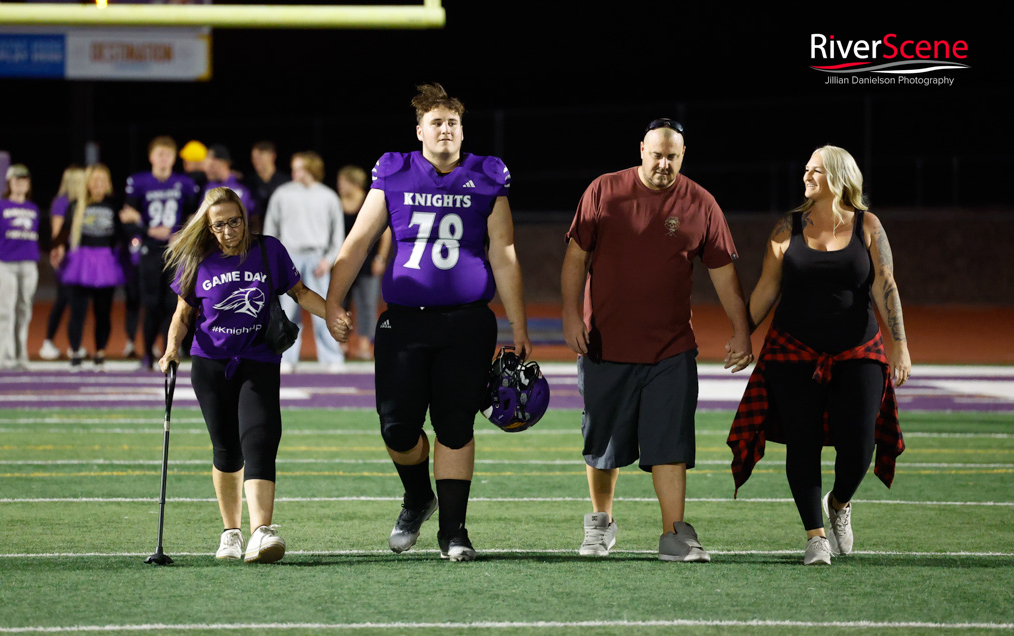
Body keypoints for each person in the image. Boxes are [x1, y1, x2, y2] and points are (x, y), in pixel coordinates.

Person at [325, 83, 531, 562]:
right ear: (419, 131)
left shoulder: (487, 175)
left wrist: (518, 323)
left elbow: (503, 253)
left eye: (452, 123)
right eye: (436, 122)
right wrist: (334, 301)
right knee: (397, 427)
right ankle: (418, 496)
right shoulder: (393, 172)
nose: (444, 129)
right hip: (405, 322)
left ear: (462, 131)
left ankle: (454, 531)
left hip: (467, 322)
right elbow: (356, 243)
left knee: (455, 425)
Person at [561, 119, 752, 563]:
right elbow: (576, 257)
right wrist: (571, 315)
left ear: (682, 156)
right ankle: (600, 523)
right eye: (657, 154)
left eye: (673, 156)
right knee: (602, 442)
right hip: (604, 345)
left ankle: (674, 534)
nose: (664, 163)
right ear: (641, 149)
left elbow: (724, 271)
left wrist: (741, 329)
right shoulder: (603, 191)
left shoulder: (701, 203)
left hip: (671, 349)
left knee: (671, 442)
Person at [727, 145, 910, 566]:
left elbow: (886, 284)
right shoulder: (786, 228)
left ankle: (840, 502)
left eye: (816, 171)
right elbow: (767, 288)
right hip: (793, 350)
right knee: (802, 443)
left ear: (839, 176)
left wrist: (899, 343)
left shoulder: (868, 225)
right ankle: (814, 536)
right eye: (806, 169)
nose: (807, 176)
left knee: (860, 446)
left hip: (859, 350)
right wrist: (742, 335)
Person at [158, 186, 337, 563]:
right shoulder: (197, 258)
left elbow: (300, 292)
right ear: (207, 227)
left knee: (260, 438)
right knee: (226, 449)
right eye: (219, 225)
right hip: (210, 365)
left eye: (233, 221)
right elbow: (183, 313)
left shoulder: (268, 249)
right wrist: (173, 346)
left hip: (258, 360)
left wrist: (332, 316)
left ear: (244, 216)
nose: (228, 231)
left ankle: (261, 531)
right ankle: (231, 533)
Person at [121, 136, 200, 369]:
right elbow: (127, 216)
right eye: (160, 154)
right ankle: (147, 354)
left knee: (172, 303)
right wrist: (147, 229)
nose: (164, 159)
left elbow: (195, 215)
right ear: (151, 157)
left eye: (168, 155)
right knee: (150, 303)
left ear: (174, 158)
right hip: (149, 251)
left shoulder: (184, 183)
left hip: (175, 250)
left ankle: (168, 351)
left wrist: (181, 233)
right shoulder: (139, 182)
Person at [264, 151, 346, 372]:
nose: (294, 172)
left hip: (317, 260)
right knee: (287, 313)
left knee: (323, 311)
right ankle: (287, 358)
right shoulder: (282, 194)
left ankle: (332, 358)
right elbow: (270, 231)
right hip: (288, 257)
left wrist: (328, 260)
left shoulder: (328, 197)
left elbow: (337, 235)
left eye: (299, 167)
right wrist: (275, 260)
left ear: (312, 168)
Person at [57, 164, 125, 372]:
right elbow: (64, 232)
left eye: (102, 181)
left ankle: (100, 353)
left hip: (105, 262)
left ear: (108, 185)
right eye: (95, 180)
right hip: (80, 262)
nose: (98, 185)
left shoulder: (114, 206)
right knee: (77, 310)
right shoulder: (76, 205)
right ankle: (76, 352)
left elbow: (120, 236)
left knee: (103, 311)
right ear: (87, 183)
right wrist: (57, 248)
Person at [336, 165, 391, 361]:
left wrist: (381, 258)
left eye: (343, 181)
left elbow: (385, 232)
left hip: (367, 262)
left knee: (367, 305)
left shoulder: (370, 200)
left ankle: (364, 345)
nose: (339, 185)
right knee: (340, 304)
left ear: (353, 182)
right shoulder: (336, 203)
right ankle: (341, 346)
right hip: (343, 261)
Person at [0, 165, 41, 370]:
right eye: (17, 180)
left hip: (29, 263)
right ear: (10, 182)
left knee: (24, 310)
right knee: (4, 311)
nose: (21, 183)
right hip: (5, 262)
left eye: (24, 180)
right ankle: (0, 357)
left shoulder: (33, 208)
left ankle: (21, 355)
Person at [41, 165, 86, 361]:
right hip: (66, 257)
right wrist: (57, 251)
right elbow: (56, 231)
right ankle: (48, 341)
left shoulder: (79, 202)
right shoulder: (62, 201)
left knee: (72, 302)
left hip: (76, 256)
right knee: (63, 301)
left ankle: (72, 343)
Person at [246, 141, 290, 234]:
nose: (256, 161)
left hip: (282, 231)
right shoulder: (249, 182)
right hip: (257, 233)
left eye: (260, 157)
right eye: (254, 158)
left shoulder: (285, 182)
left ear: (272, 156)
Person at [204, 145, 255, 218]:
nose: (206, 169)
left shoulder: (242, 185)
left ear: (221, 162)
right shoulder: (207, 186)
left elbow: (254, 214)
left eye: (211, 165)